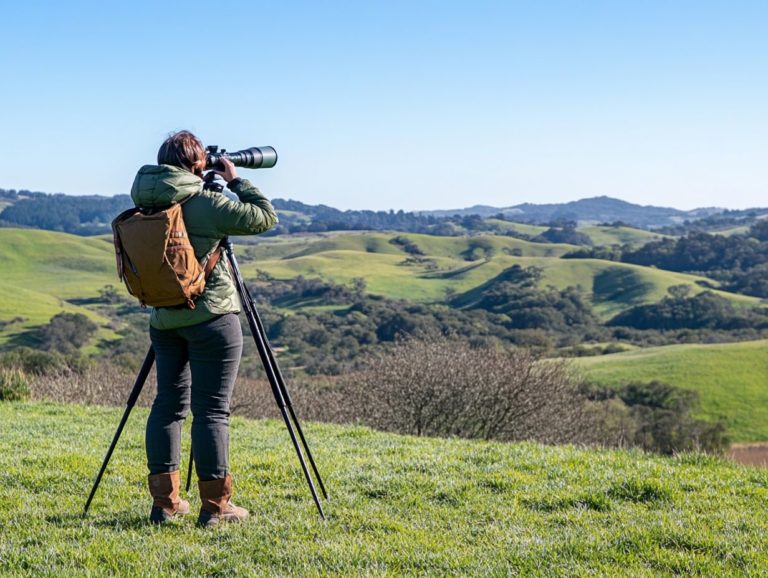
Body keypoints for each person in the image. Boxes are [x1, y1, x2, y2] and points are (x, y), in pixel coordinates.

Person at [130, 130, 278, 527]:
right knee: (211, 411)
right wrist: (235, 180)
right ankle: (215, 508)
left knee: (167, 406)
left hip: (163, 320)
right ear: (197, 165)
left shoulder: (145, 202)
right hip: (212, 317)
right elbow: (265, 217)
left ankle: (164, 503)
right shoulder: (204, 203)